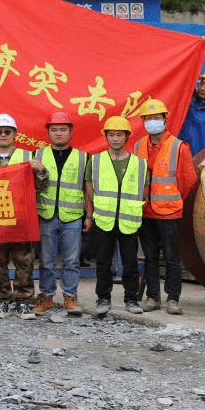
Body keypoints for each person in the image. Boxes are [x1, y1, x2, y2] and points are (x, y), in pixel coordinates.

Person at [133, 99, 197, 316]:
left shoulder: (179, 147)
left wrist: (175, 201)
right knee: (150, 257)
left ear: (165, 119)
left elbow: (188, 182)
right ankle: (153, 297)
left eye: (156, 117)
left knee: (171, 257)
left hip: (170, 212)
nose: (152, 122)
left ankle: (173, 299)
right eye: (148, 118)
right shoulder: (138, 145)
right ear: (142, 121)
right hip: (145, 211)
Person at [85, 115, 148, 317]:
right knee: (103, 262)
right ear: (106, 137)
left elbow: (144, 191)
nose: (115, 139)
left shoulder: (140, 164)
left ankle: (131, 299)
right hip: (104, 218)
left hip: (129, 219)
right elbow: (89, 189)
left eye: (119, 135)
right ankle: (103, 298)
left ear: (127, 136)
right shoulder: (95, 160)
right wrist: (90, 214)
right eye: (111, 134)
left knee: (130, 262)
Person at [31, 111, 88, 317]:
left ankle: (70, 298)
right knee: (46, 260)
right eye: (54, 129)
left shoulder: (82, 157)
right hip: (46, 214)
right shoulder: (38, 155)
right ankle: (46, 298)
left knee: (71, 260)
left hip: (72, 216)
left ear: (71, 132)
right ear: (48, 132)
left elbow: (86, 187)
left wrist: (88, 216)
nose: (58, 133)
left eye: (63, 129)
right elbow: (32, 186)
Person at [0, 113, 36, 319]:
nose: (3, 135)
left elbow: (39, 185)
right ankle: (1, 301)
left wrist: (40, 171)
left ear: (15, 134)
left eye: (7, 132)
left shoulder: (28, 157)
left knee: (24, 262)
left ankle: (23, 301)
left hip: (21, 218)